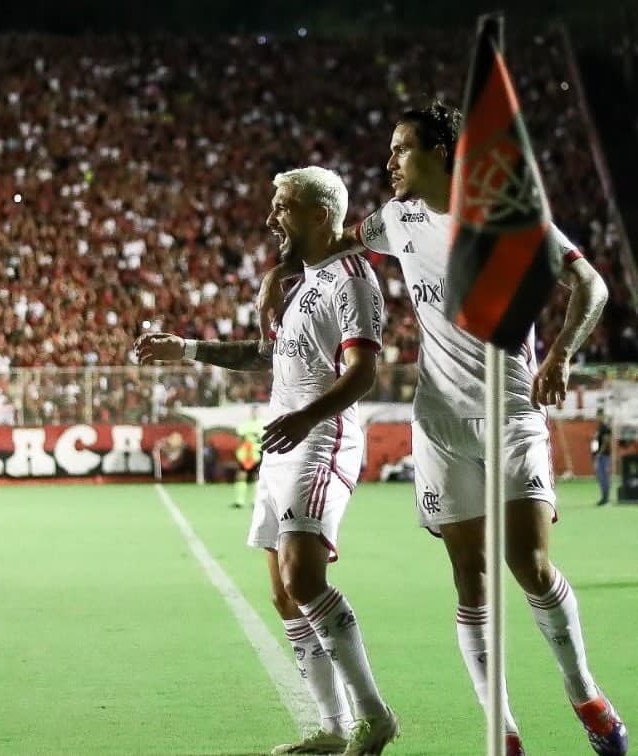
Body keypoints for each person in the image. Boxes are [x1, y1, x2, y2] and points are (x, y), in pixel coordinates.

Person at [260, 102, 624, 756]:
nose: (389, 162)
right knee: (470, 579)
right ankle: (503, 737)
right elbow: (331, 244)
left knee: (530, 565)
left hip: (510, 413)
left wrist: (562, 352)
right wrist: (275, 275)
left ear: (442, 153)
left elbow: (589, 285)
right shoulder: (396, 219)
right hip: (440, 426)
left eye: (401, 150)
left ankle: (586, 695)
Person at [137, 167, 398, 755]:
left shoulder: (352, 280)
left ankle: (374, 715)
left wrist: (306, 418)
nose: (270, 218)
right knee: (284, 595)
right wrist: (188, 348)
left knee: (305, 578)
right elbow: (267, 358)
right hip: (285, 442)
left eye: (281, 206)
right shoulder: (300, 282)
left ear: (317, 212)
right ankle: (332, 729)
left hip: (321, 436)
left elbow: (363, 373)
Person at [232, 405, 264, 508]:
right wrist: (239, 452)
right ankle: (239, 501)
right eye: (253, 411)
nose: (254, 413)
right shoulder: (244, 425)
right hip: (246, 454)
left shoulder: (263, 424)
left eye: (256, 411)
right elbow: (240, 439)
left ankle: (255, 500)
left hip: (258, 453)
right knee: (241, 475)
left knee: (257, 476)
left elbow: (266, 440)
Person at [592, 407, 612, 506]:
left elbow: (606, 441)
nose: (597, 417)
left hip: (604, 456)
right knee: (601, 477)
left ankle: (606, 498)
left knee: (604, 477)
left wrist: (599, 452)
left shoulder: (605, 427)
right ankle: (603, 497)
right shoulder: (600, 427)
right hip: (600, 455)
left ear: (602, 416)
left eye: (598, 415)